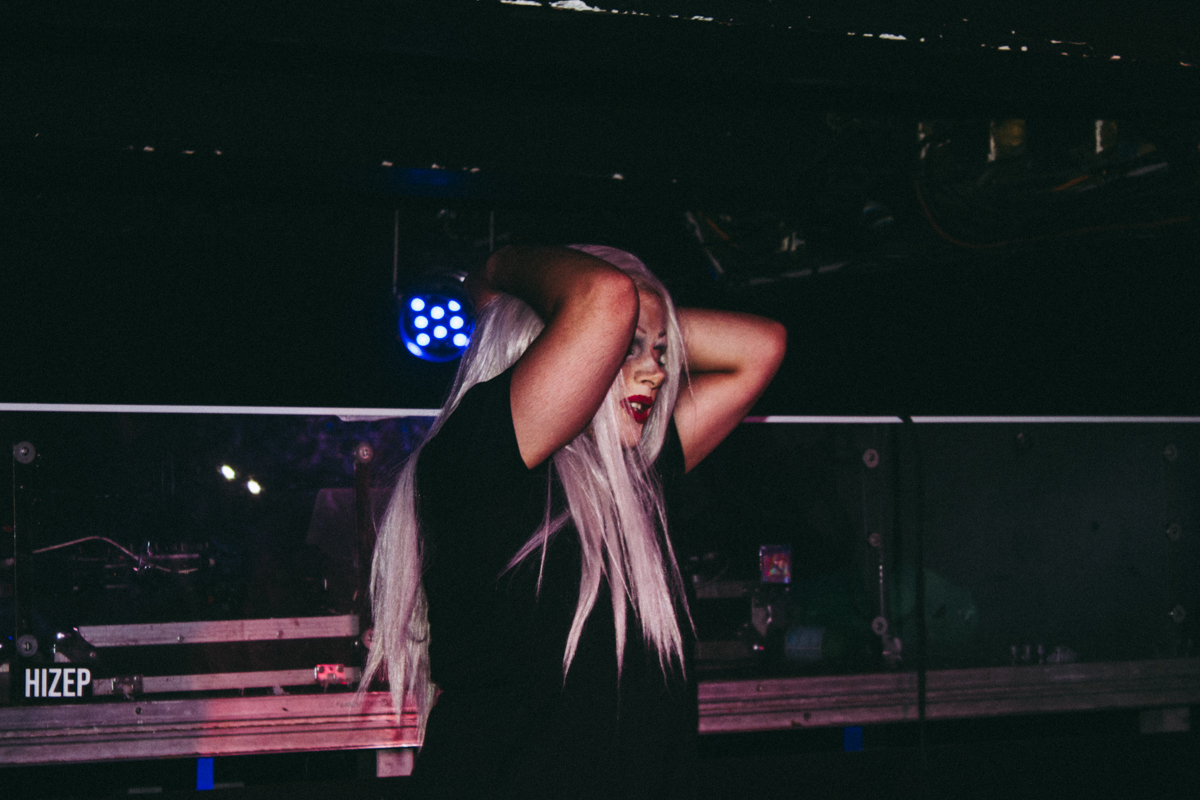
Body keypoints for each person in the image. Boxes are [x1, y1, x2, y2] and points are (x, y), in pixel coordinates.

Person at [362, 244, 786, 797]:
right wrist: (493, 274)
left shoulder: (637, 476)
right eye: (628, 348)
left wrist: (648, 317)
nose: (657, 371)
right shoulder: (477, 457)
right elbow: (603, 298)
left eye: (661, 352)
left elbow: (760, 347)